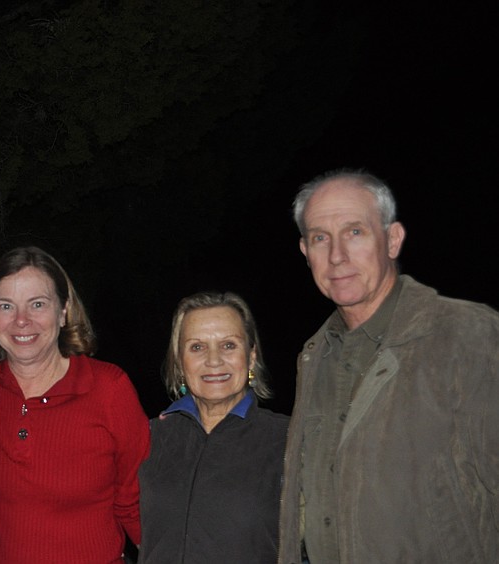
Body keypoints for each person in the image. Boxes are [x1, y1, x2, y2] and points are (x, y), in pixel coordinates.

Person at [279, 169, 499, 563]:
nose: (337, 255)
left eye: (355, 232)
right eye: (320, 238)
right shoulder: (314, 357)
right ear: (304, 251)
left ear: (393, 239)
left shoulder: (466, 334)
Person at [0, 246, 150, 563]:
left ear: (64, 311)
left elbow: (136, 503)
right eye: (6, 306)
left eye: (37, 304)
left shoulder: (109, 390)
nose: (21, 321)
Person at [139, 291, 289, 563]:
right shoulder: (148, 439)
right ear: (179, 361)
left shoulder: (288, 441)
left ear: (251, 356)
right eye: (197, 347)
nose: (214, 360)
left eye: (229, 345)